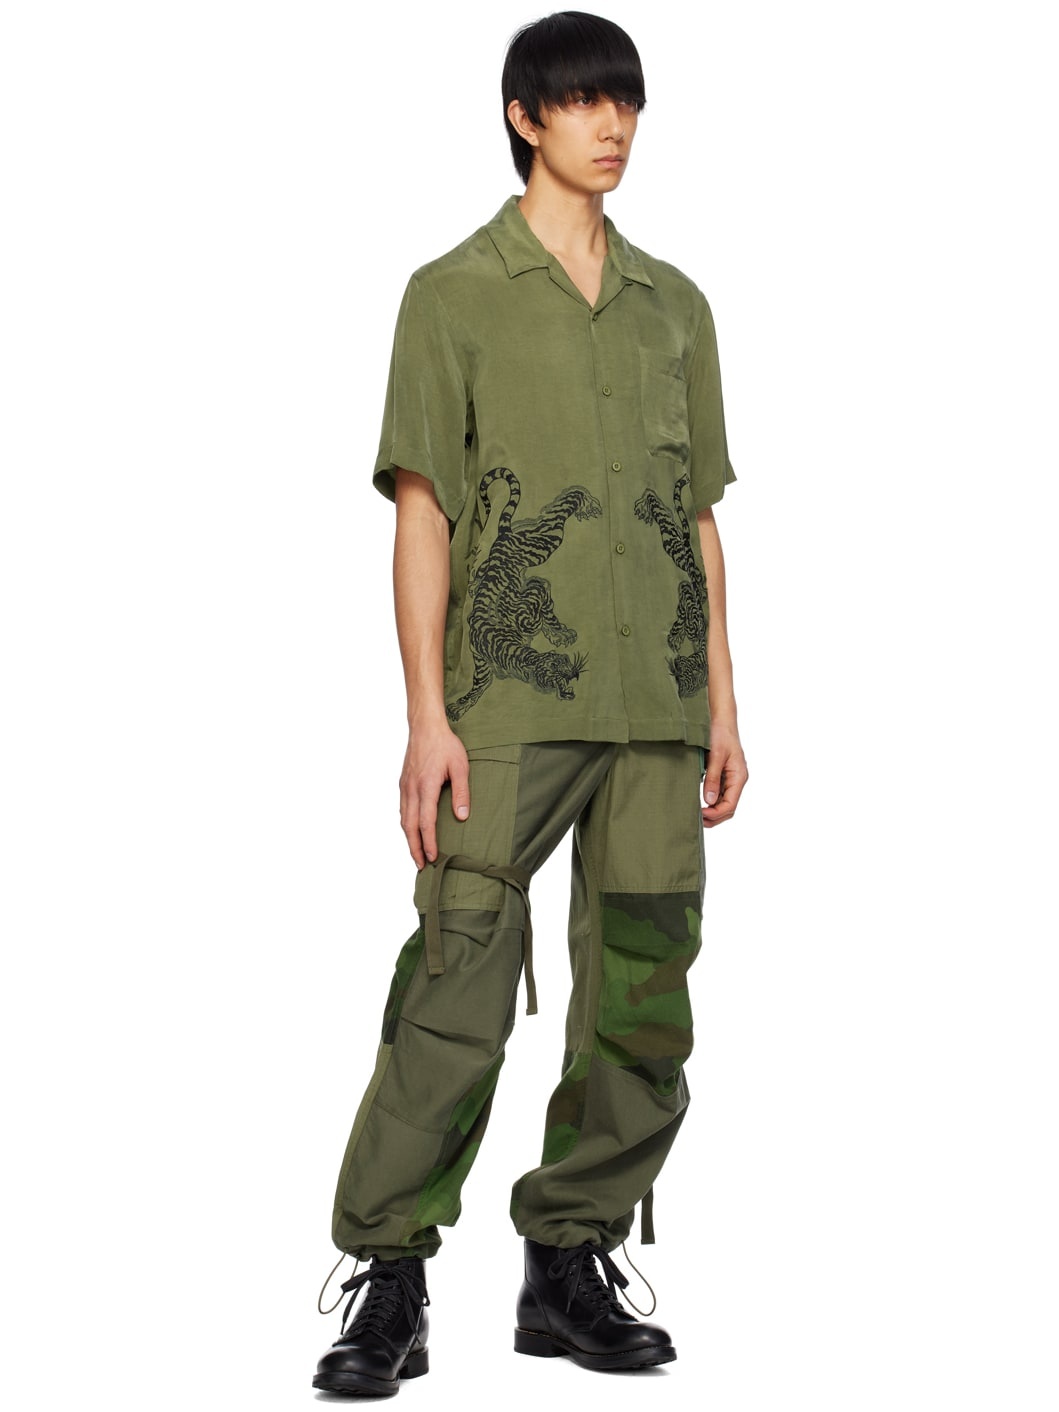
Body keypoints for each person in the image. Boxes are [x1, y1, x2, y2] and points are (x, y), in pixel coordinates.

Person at [313, 10, 748, 1395]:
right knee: (456, 985)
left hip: (656, 707)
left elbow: (696, 517)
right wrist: (424, 717)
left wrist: (723, 702)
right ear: (524, 116)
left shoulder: (676, 306)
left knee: (642, 999)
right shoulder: (453, 294)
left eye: (628, 102)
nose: (613, 125)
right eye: (583, 102)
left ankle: (569, 1260)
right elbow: (423, 513)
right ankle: (388, 1276)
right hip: (505, 701)